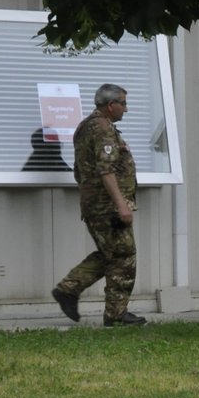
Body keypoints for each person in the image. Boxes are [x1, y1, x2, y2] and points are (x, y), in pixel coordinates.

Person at [51, 84, 146, 327]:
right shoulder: (102, 128)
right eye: (123, 103)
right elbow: (106, 170)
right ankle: (112, 312)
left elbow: (81, 169)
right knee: (124, 256)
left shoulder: (86, 126)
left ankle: (70, 290)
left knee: (112, 254)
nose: (126, 108)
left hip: (96, 204)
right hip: (107, 207)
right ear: (110, 105)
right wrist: (121, 205)